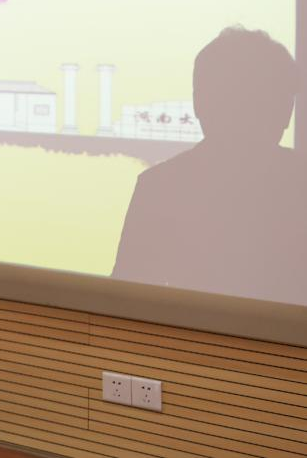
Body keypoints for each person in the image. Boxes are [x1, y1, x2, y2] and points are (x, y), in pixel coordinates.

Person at [113, 26, 305, 305]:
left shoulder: (159, 187)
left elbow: (123, 305)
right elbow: (124, 300)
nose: (244, 116)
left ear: (199, 103)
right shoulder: (158, 189)